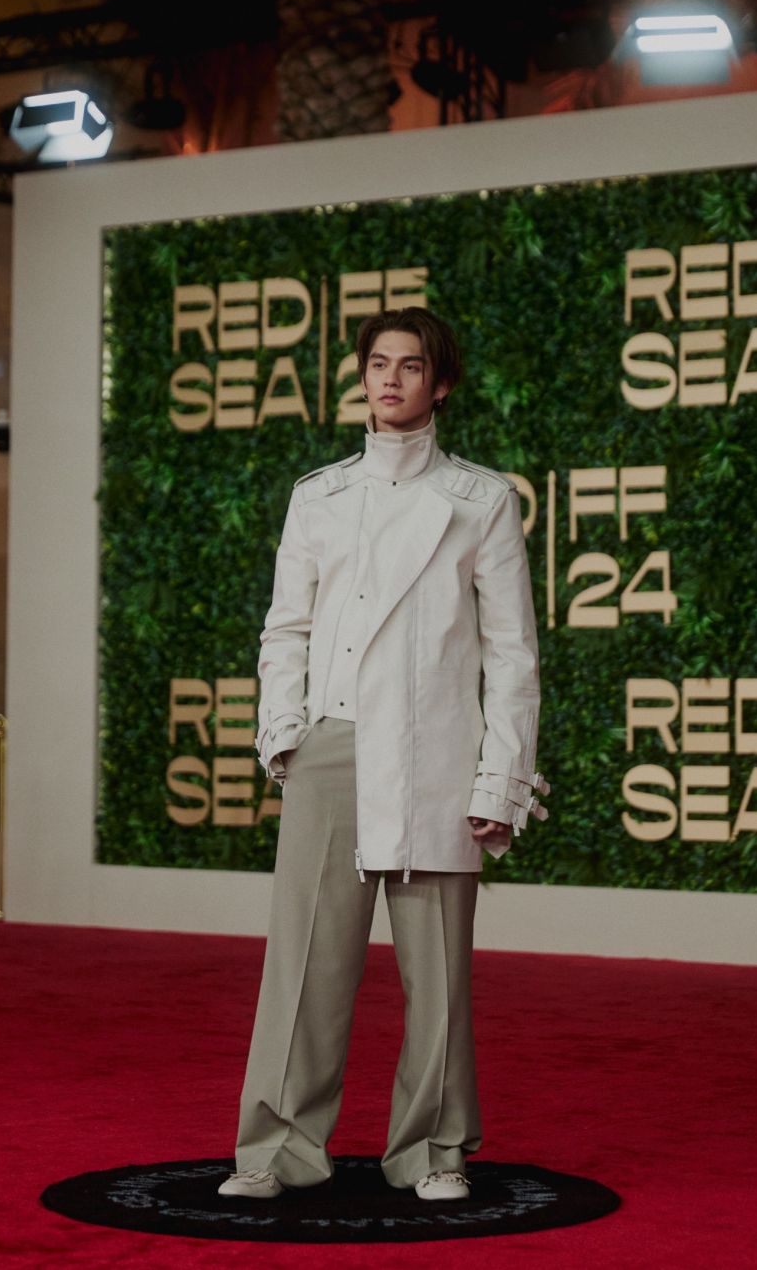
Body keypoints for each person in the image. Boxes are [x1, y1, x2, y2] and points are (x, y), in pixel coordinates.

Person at [218, 307, 547, 1203]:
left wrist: (500, 779)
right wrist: (286, 734)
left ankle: (435, 1151)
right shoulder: (318, 495)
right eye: (378, 364)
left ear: (442, 384)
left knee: (436, 972)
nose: (391, 379)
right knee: (304, 964)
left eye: (411, 365)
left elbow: (513, 654)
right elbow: (284, 628)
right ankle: (275, 1149)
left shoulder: (482, 500)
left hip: (439, 752)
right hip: (330, 747)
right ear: (362, 377)